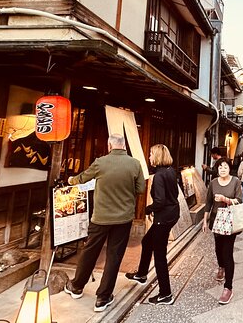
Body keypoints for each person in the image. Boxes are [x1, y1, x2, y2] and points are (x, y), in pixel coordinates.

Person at [64, 134, 145, 312]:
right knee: (114, 256)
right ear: (124, 146)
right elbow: (141, 189)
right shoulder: (135, 164)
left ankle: (76, 286)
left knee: (90, 251)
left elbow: (82, 178)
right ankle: (103, 297)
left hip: (100, 217)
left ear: (110, 146)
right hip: (123, 218)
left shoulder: (100, 162)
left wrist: (70, 180)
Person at [125, 144, 180, 305]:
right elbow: (174, 194)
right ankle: (141, 274)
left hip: (163, 217)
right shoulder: (170, 171)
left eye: (150, 154)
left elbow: (160, 201)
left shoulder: (159, 175)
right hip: (172, 213)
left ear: (157, 156)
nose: (149, 157)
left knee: (160, 255)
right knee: (147, 241)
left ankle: (165, 294)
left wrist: (148, 209)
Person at [202, 158, 243, 305]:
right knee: (218, 249)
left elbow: (240, 200)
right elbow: (208, 203)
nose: (222, 169)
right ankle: (221, 266)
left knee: (227, 252)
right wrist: (205, 220)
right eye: (220, 167)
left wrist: (226, 199)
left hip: (229, 221)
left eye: (225, 167)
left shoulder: (236, 182)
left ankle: (228, 288)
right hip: (215, 221)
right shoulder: (213, 183)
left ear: (229, 168)